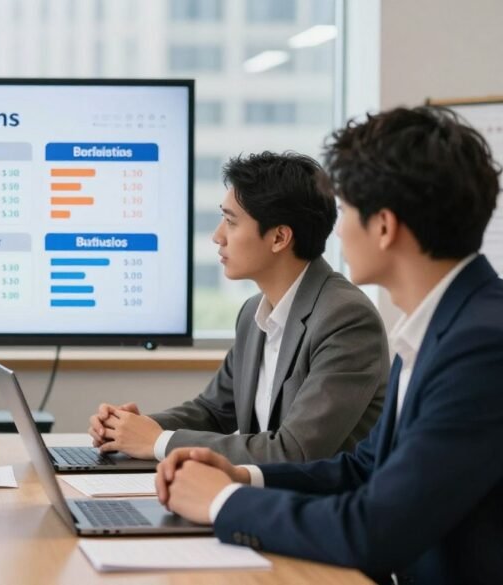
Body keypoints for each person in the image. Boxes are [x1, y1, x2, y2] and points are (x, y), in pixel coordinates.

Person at [157, 107, 503, 585]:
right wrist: (243, 478)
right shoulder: (436, 325)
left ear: (384, 226)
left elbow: (376, 529)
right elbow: (365, 470)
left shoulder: (482, 346)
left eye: (346, 211)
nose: (336, 231)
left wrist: (221, 502)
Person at [89, 152, 388, 464]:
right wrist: (131, 429)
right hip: (264, 497)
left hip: (320, 506)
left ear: (279, 237)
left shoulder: (346, 319)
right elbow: (213, 412)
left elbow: (294, 451)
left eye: (231, 222)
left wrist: (157, 441)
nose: (217, 236)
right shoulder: (253, 313)